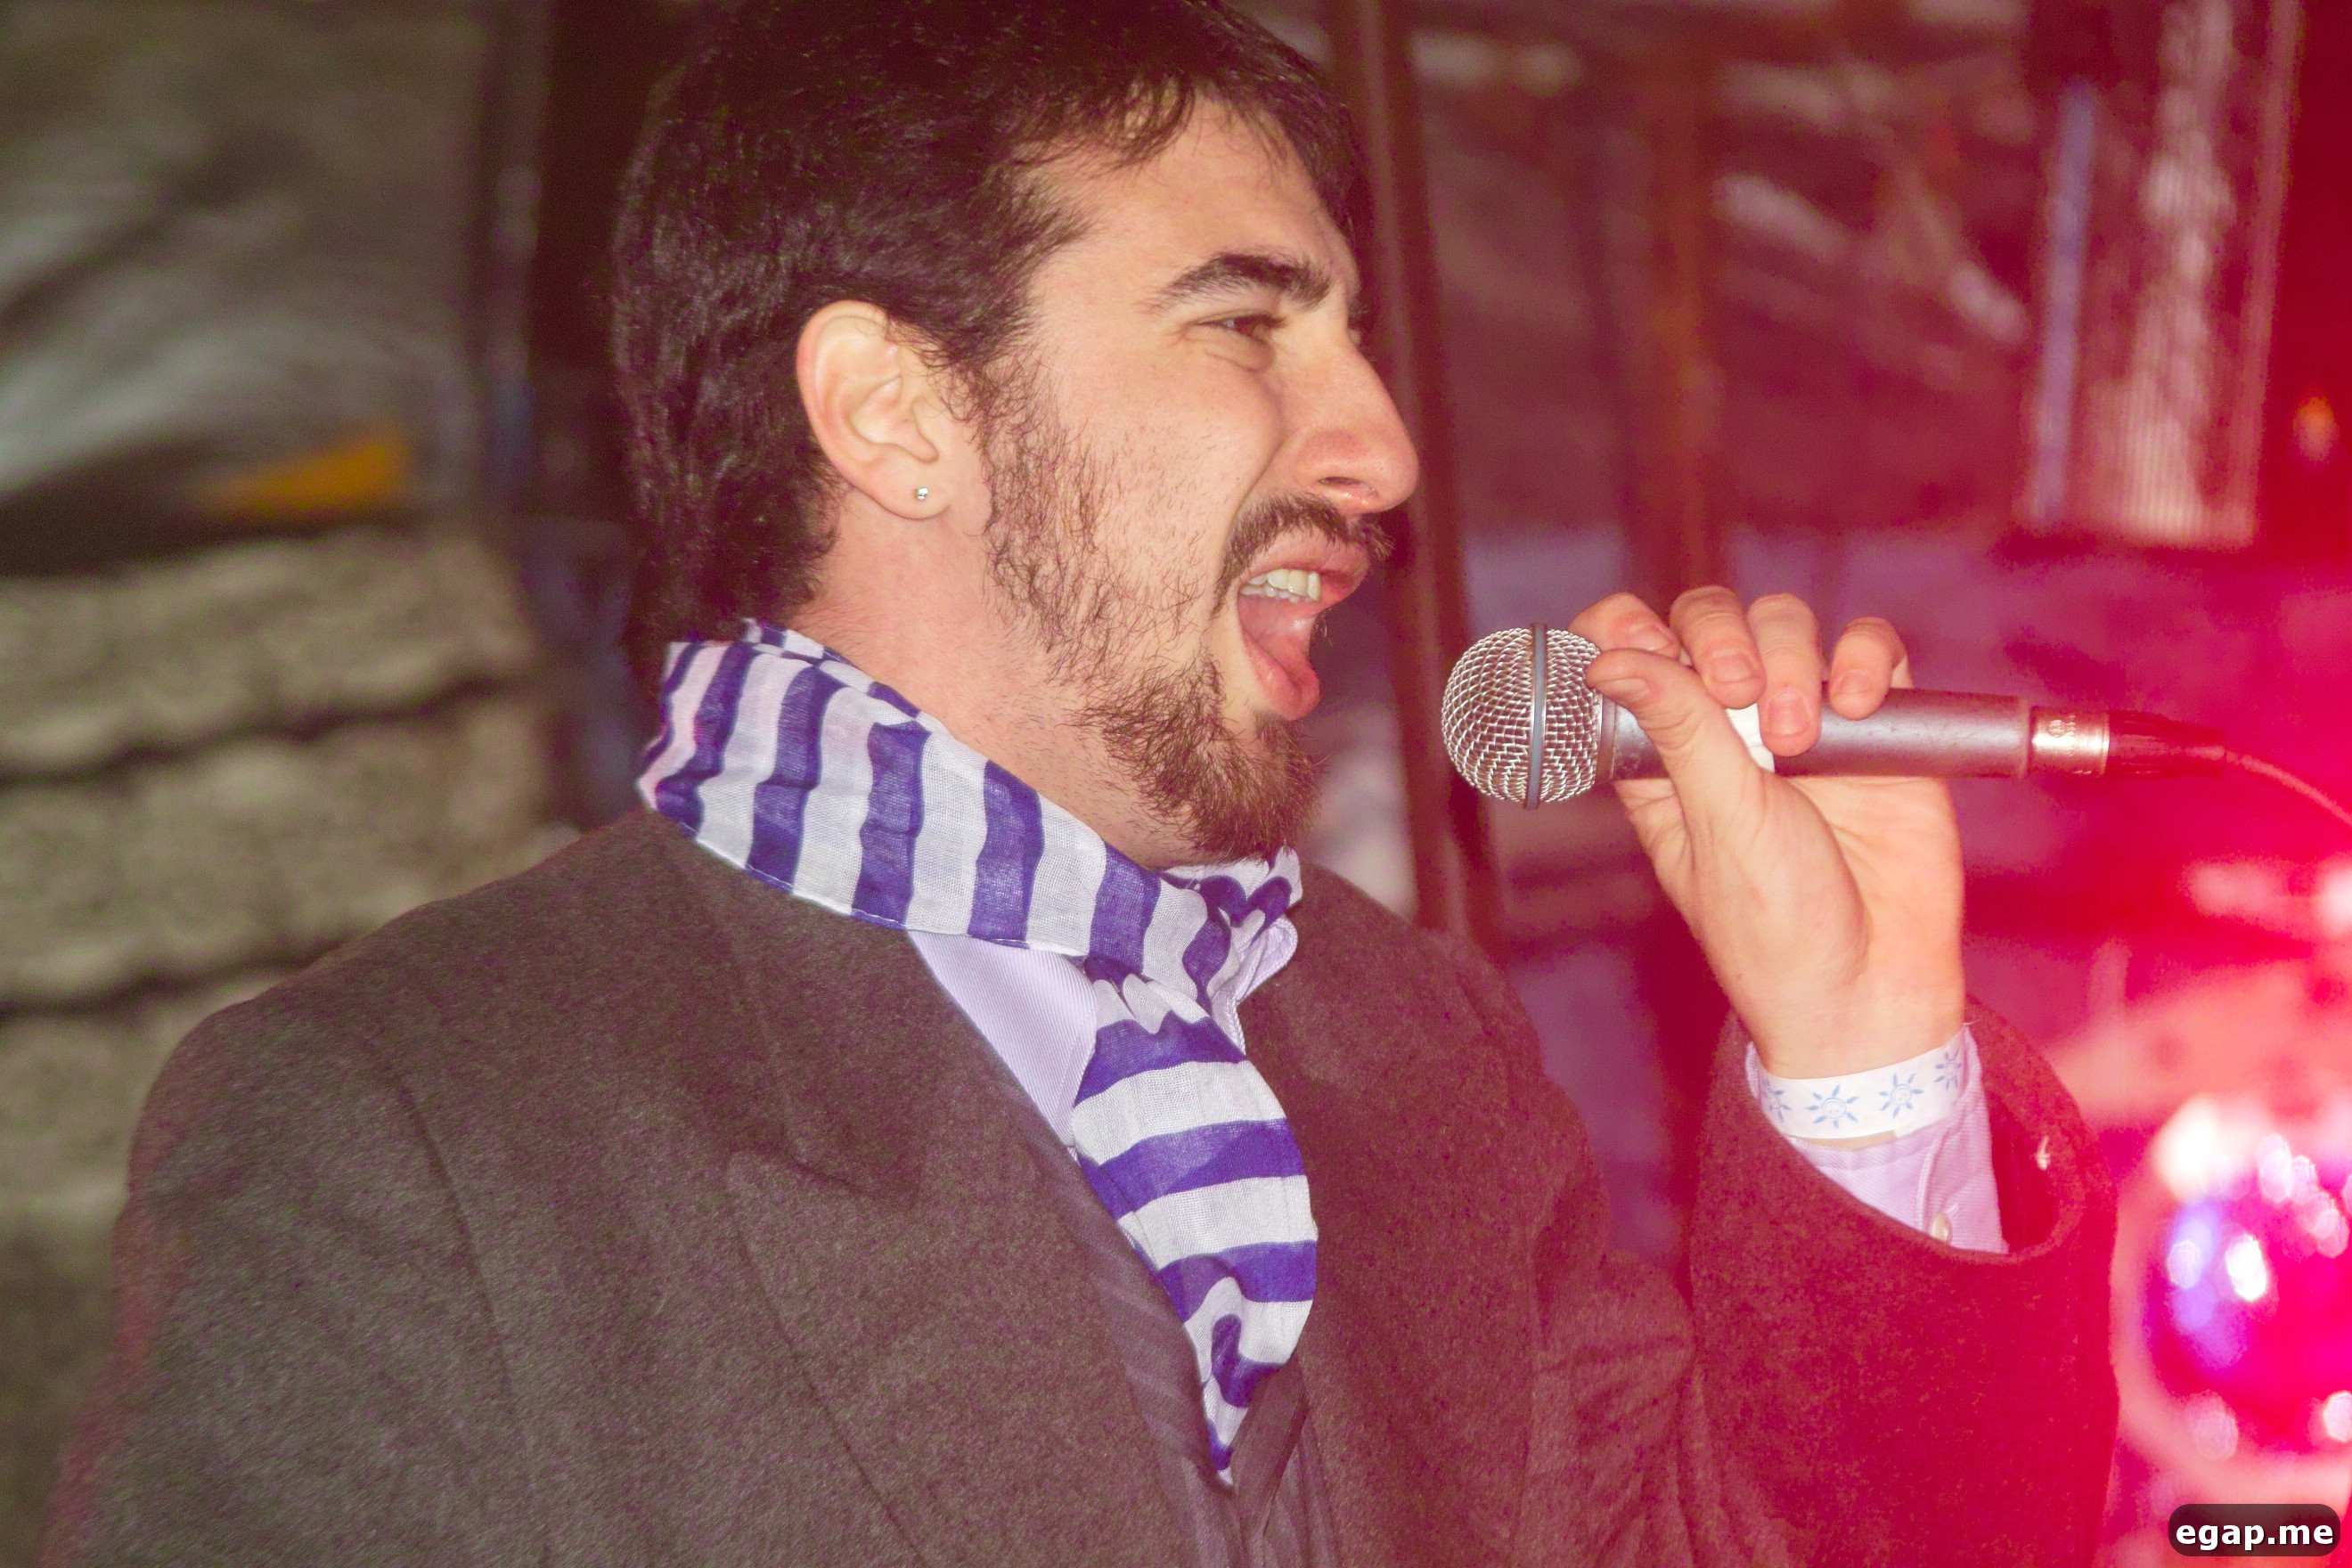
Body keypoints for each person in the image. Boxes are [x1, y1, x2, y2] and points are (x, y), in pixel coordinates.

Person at [41, 2, 2117, 1564]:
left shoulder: (1414, 1050)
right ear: (896, 414)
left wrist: (1862, 1046)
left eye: (1356, 342)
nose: (1382, 450)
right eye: (1248, 328)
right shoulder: (411, 1126)